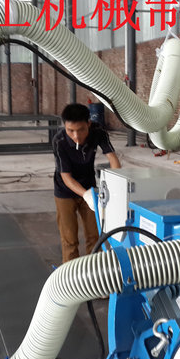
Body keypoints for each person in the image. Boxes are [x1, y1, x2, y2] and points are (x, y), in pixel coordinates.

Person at [53, 103, 121, 263]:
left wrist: (117, 184)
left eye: (81, 130)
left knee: (95, 236)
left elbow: (113, 159)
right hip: (65, 191)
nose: (76, 136)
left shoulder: (98, 132)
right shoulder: (59, 141)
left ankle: (94, 271)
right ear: (64, 126)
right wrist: (85, 194)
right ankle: (71, 274)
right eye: (70, 130)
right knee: (69, 240)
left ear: (88, 124)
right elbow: (66, 177)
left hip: (90, 186)